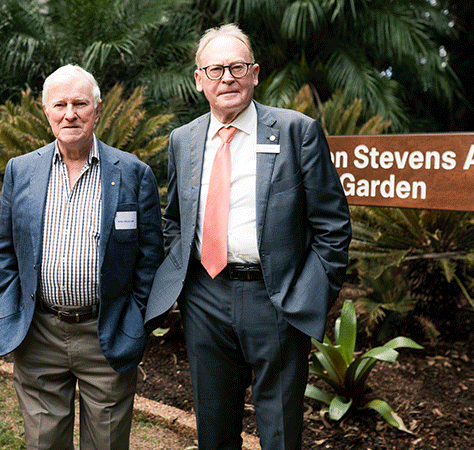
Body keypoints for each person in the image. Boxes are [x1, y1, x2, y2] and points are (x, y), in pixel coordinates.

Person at [145, 24, 352, 450]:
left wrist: (308, 294)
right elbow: (174, 221)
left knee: (279, 433)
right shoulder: (181, 140)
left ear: (255, 73)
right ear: (198, 79)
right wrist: (187, 285)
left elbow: (333, 225)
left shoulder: (298, 132)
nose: (228, 78)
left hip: (275, 299)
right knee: (214, 433)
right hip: (205, 297)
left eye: (237, 67)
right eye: (216, 69)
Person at [0, 64, 163, 450]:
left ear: (97, 110)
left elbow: (151, 256)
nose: (70, 113)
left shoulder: (134, 173)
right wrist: (10, 303)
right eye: (60, 104)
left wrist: (134, 313)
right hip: (39, 332)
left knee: (108, 443)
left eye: (80, 103)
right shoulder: (21, 170)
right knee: (43, 443)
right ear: (46, 112)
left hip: (107, 331)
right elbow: (3, 251)